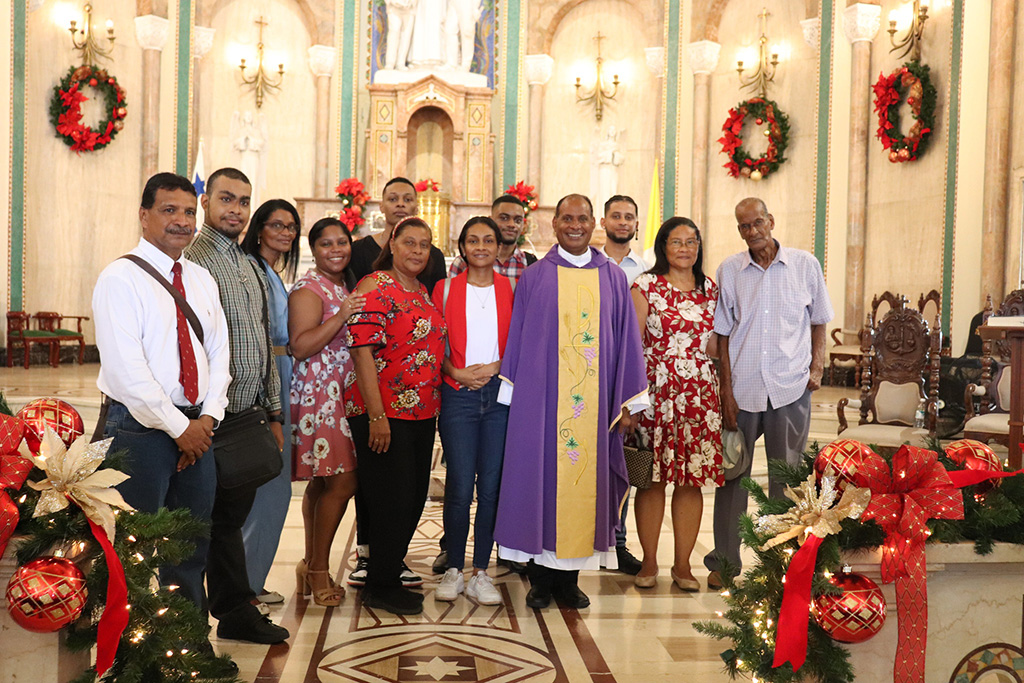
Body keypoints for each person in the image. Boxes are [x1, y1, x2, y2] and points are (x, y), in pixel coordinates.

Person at [493, 194, 648, 610]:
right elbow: (520, 337)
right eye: (567, 218)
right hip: (541, 403)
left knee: (585, 486)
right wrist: (514, 396)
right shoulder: (536, 276)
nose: (575, 225)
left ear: (593, 222)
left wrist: (630, 399)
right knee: (541, 483)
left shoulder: (613, 278)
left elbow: (628, 340)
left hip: (594, 408)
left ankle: (570, 582)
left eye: (582, 218)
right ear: (554, 224)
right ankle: (541, 581)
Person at [93, 173, 230, 620]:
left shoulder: (202, 279)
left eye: (189, 212)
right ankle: (132, 655)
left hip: (198, 430)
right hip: (139, 431)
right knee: (133, 547)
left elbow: (219, 355)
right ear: (144, 215)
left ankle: (187, 648)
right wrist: (181, 429)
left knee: (189, 548)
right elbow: (128, 373)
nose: (182, 221)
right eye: (169, 210)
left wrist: (206, 420)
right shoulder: (120, 278)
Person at [704, 197, 833, 589]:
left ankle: (780, 563)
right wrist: (725, 390)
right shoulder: (730, 270)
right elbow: (722, 336)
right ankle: (724, 563)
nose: (752, 231)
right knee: (733, 478)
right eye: (744, 226)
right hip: (742, 390)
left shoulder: (805, 265)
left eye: (757, 222)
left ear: (771, 221)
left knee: (787, 479)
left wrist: (817, 365)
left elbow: (819, 322)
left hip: (789, 388)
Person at [185, 167, 290, 644]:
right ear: (206, 202)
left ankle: (232, 609)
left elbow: (265, 342)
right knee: (198, 522)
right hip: (206, 416)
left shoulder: (246, 263)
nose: (236, 209)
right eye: (227, 199)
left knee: (227, 518)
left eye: (244, 201)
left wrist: (272, 412)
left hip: (245, 413)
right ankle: (186, 623)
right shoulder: (191, 257)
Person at [345, 217, 447, 615]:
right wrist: (376, 415)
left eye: (424, 244)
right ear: (392, 243)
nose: (417, 251)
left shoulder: (421, 290)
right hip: (384, 413)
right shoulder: (375, 285)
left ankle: (386, 575)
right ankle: (380, 586)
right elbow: (361, 351)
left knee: (412, 497)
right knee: (390, 499)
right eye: (409, 243)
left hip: (422, 412)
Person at [631, 217, 723, 591]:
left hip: (700, 394)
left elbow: (720, 343)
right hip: (656, 391)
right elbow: (632, 345)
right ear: (662, 246)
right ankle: (649, 561)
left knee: (692, 481)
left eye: (691, 241)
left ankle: (683, 565)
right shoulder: (646, 285)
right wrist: (631, 400)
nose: (684, 248)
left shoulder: (711, 289)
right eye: (676, 242)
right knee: (651, 481)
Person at [431, 217, 513, 605]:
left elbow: (521, 341)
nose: (481, 246)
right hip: (458, 395)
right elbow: (434, 345)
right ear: (461, 246)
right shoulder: (444, 289)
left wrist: (496, 368)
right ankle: (453, 569)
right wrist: (457, 372)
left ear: (499, 247)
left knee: (492, 487)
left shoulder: (512, 288)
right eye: (473, 240)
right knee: (460, 486)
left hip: (499, 397)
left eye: (489, 240)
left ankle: (481, 571)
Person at [289, 217, 364, 606]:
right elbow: (300, 346)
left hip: (341, 390)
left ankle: (308, 563)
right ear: (313, 250)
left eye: (342, 242)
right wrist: (341, 316)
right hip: (321, 394)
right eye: (326, 244)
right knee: (343, 483)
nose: (336, 250)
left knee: (323, 482)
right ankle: (319, 569)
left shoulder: (341, 285)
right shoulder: (308, 288)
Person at [239, 199, 300, 609]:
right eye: (276, 224)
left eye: (291, 226)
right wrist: (272, 406)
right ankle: (246, 584)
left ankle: (248, 579)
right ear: (259, 228)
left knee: (272, 486)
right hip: (269, 377)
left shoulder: (272, 273)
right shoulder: (252, 271)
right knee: (269, 486)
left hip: (284, 371)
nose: (285, 232)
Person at [598, 193, 650, 576]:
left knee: (628, 464)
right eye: (615, 215)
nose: (621, 222)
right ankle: (585, 539)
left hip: (630, 377)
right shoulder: (589, 264)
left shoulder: (646, 269)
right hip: (590, 375)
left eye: (628, 217)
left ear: (636, 223)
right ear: (604, 221)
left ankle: (618, 544)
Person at [350, 176, 447, 292]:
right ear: (381, 206)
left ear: (416, 208)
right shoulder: (359, 250)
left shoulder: (433, 255)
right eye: (393, 199)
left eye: (407, 200)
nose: (400, 204)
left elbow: (438, 300)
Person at [447, 195, 537, 287]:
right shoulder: (464, 262)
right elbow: (452, 296)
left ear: (524, 225)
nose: (511, 224)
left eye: (518, 220)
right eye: (504, 218)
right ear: (491, 220)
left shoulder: (530, 264)